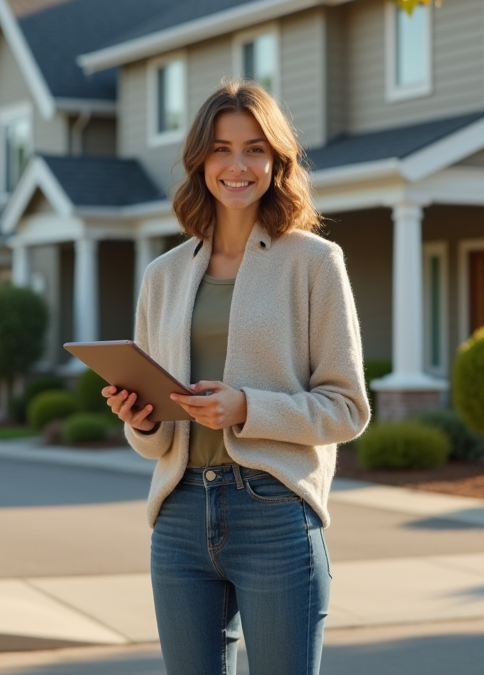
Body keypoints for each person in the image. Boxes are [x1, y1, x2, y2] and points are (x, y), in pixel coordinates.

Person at [102, 79, 371, 675]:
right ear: (201, 162)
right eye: (221, 149)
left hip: (273, 508)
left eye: (254, 148)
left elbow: (347, 408)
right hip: (178, 515)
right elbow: (152, 436)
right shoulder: (164, 276)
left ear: (277, 160)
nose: (237, 165)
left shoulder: (315, 263)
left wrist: (246, 407)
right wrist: (139, 418)